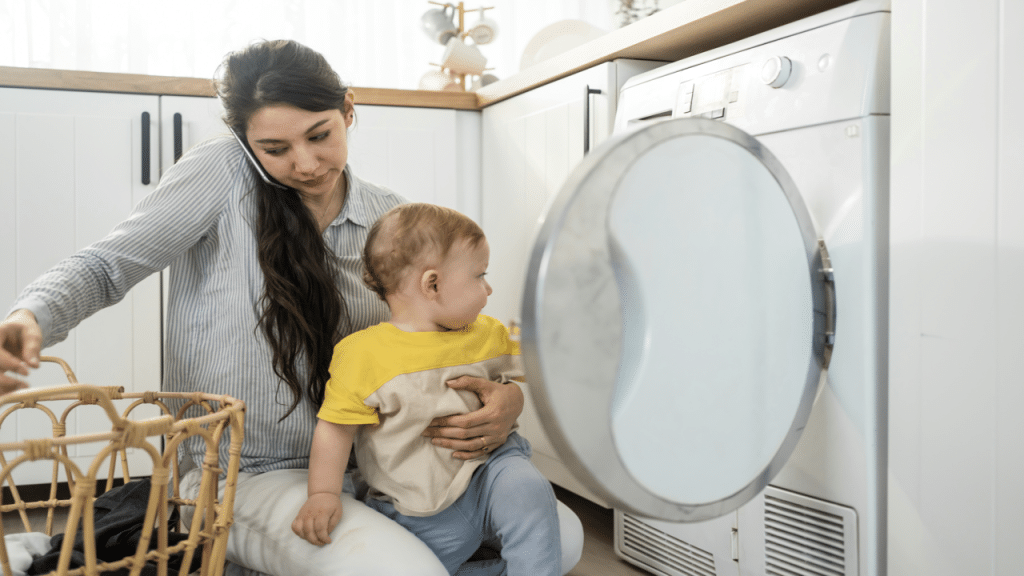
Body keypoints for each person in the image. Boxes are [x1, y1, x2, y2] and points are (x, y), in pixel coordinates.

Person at [0, 39, 582, 576]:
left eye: (319, 135)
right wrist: (30, 317)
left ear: (348, 110)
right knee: (409, 569)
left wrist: (508, 398)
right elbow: (108, 265)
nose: (304, 164)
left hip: (384, 467)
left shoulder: (390, 221)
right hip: (246, 475)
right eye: (275, 149)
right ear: (245, 142)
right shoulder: (220, 177)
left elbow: (444, 336)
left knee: (563, 536)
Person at [292, 203, 561, 575]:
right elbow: (335, 430)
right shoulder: (363, 355)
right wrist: (323, 493)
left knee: (528, 491)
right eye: (480, 275)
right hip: (416, 506)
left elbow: (541, 365)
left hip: (492, 474)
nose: (488, 288)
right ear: (432, 284)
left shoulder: (486, 333)